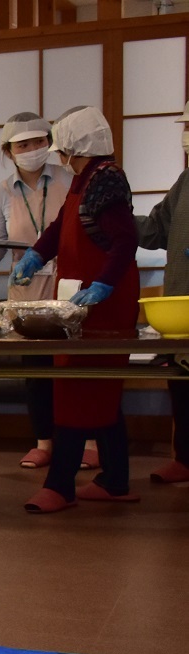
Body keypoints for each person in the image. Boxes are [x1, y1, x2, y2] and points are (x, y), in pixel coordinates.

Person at [12, 106, 141, 512]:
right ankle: (115, 480)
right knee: (101, 388)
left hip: (104, 302)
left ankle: (61, 485)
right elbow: (58, 229)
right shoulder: (84, 181)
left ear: (73, 145)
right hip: (84, 298)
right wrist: (34, 255)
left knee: (74, 386)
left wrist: (103, 284)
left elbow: (125, 240)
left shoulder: (105, 181)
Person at [0, 112, 83, 470]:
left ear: (50, 143)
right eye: (23, 145)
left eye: (39, 142)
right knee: (35, 366)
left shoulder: (70, 177)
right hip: (26, 286)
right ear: (9, 150)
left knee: (78, 361)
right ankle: (43, 442)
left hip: (69, 281)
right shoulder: (1, 191)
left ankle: (86, 440)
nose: (32, 150)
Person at [134, 100, 189, 486]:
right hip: (180, 304)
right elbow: (155, 229)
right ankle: (185, 458)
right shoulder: (185, 181)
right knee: (182, 382)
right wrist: (114, 217)